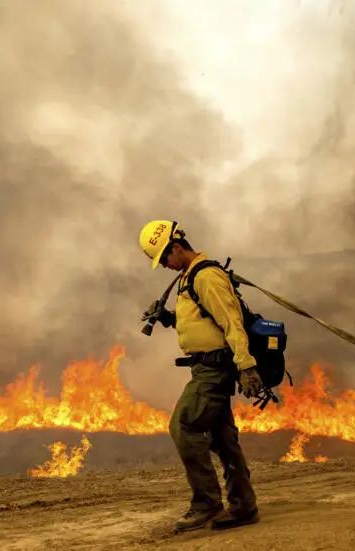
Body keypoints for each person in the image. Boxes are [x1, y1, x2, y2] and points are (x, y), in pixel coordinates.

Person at [138, 219, 263, 532]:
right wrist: (167, 318)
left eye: (165, 258)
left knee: (183, 425)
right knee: (223, 439)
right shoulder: (190, 277)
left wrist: (246, 365)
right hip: (207, 364)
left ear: (177, 248)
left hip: (214, 368)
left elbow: (230, 321)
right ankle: (243, 506)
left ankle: (206, 503)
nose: (165, 265)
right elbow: (200, 320)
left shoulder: (205, 276)